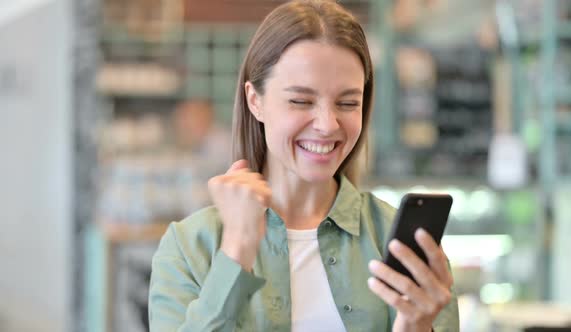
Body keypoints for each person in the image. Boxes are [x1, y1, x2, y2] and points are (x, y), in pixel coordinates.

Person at [149, 1, 459, 331]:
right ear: (256, 101)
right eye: (300, 101)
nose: (327, 124)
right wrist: (238, 246)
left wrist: (416, 326)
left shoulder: (400, 244)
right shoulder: (188, 247)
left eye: (347, 102)